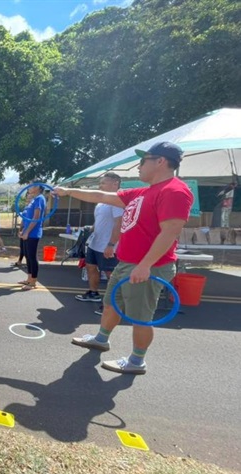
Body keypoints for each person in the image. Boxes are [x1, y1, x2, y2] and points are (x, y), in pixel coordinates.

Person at [55, 142, 193, 375]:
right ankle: (101, 339)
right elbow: (101, 195)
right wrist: (67, 191)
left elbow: (170, 231)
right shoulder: (141, 192)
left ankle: (137, 361)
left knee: (140, 317)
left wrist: (145, 265)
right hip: (126, 263)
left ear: (160, 161)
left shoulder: (174, 191)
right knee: (111, 304)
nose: (138, 166)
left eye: (143, 161)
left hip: (148, 267)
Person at [75, 172, 123, 305]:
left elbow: (119, 224)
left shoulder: (117, 201)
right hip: (95, 243)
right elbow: (99, 221)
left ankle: (113, 303)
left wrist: (111, 244)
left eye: (103, 183)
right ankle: (93, 293)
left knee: (110, 274)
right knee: (90, 267)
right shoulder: (102, 202)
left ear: (115, 184)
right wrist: (90, 229)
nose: (100, 185)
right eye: (100, 183)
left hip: (108, 245)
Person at [18, 183, 46, 290]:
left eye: (31, 186)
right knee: (27, 256)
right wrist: (22, 231)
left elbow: (36, 218)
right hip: (28, 233)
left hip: (33, 234)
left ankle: (33, 282)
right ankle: (29, 279)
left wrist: (27, 232)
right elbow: (27, 218)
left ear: (37, 187)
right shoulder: (34, 199)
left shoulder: (40, 198)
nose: (28, 188)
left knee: (32, 257)